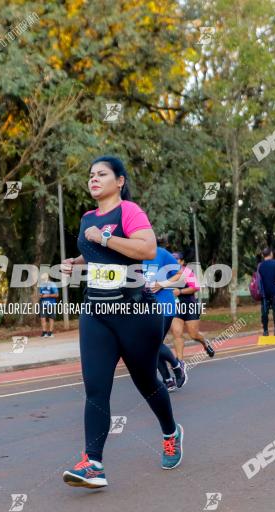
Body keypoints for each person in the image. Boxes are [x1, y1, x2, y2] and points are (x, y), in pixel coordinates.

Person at [60, 155, 182, 489]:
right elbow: (98, 255)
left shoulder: (129, 211)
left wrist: (106, 239)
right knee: (96, 389)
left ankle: (171, 432)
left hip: (134, 311)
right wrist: (77, 261)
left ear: (120, 181)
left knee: (147, 382)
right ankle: (93, 463)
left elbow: (146, 248)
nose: (94, 178)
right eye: (90, 174)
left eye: (102, 174)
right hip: (96, 312)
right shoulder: (87, 218)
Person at [144, 236, 186, 390]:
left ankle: (176, 367)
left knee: (152, 344)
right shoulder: (134, 256)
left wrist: (162, 284)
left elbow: (179, 274)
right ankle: (168, 379)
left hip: (164, 305)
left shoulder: (161, 254)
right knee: (151, 346)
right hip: (144, 308)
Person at [170, 252, 215, 362]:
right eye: (172, 259)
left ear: (182, 261)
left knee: (193, 334)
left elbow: (195, 287)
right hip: (175, 307)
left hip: (190, 305)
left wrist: (179, 292)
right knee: (177, 333)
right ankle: (180, 361)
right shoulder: (167, 273)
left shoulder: (187, 272)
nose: (174, 261)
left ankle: (205, 342)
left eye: (177, 259)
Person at [38, 273, 59, 338]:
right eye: (42, 280)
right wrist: (40, 296)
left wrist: (48, 295)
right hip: (43, 303)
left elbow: (57, 295)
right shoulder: (41, 285)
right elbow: (40, 294)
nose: (43, 281)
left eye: (44, 279)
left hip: (51, 304)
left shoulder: (52, 285)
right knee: (42, 318)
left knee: (51, 318)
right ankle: (44, 332)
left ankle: (50, 332)